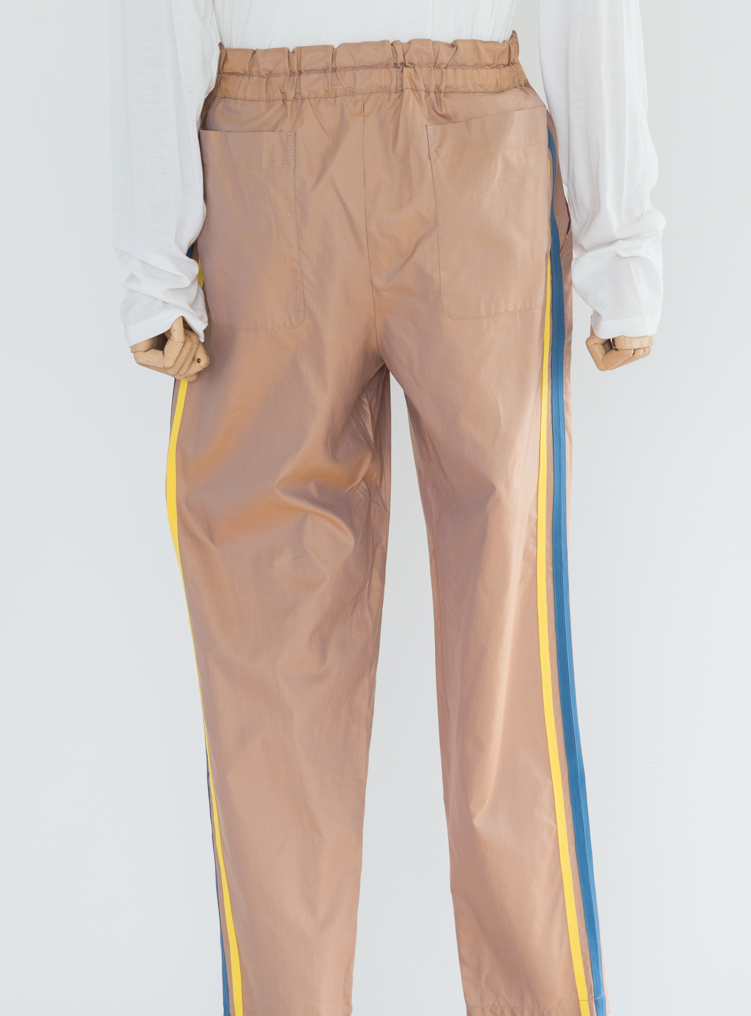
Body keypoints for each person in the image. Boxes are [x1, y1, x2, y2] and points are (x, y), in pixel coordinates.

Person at [112, 3, 663, 1015]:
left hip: (272, 167)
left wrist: (156, 257)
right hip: (463, 153)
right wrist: (621, 239)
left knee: (275, 677)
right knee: (505, 661)